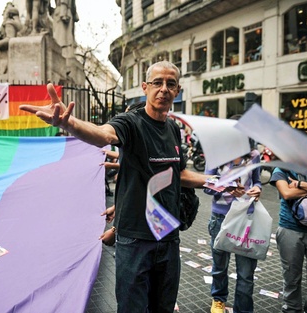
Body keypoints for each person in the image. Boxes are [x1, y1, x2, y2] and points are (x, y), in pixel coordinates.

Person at [20, 61, 208, 312]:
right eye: (157, 83)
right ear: (145, 87)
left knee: (163, 307)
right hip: (135, 240)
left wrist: (216, 181)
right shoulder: (131, 122)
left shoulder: (173, 128)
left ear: (177, 90)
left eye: (170, 84)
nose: (163, 89)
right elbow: (103, 134)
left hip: (168, 238)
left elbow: (179, 172)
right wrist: (71, 124)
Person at [204, 151, 262, 313]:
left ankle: (243, 309)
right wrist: (227, 186)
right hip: (220, 218)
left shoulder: (254, 155)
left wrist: (257, 189)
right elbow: (206, 186)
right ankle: (218, 299)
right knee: (220, 266)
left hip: (247, 216)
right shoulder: (216, 155)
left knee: (245, 272)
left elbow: (257, 181)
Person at [270, 168, 307, 313]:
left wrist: (301, 184)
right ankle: (292, 309)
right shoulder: (281, 170)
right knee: (291, 279)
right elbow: (287, 194)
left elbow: (292, 191)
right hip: (290, 230)